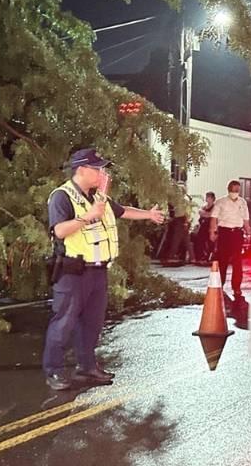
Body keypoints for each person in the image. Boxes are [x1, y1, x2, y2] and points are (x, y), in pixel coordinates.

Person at [44, 148, 165, 391]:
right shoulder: (62, 196)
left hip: (98, 272)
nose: (102, 173)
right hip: (73, 271)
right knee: (64, 323)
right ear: (81, 170)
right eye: (97, 169)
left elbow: (123, 211)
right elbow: (58, 231)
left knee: (92, 323)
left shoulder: (99, 198)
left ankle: (87, 367)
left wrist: (149, 215)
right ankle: (53, 371)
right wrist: (87, 217)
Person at [209, 180, 251, 301]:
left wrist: (248, 231)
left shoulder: (242, 202)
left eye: (237, 190)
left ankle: (236, 288)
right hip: (224, 233)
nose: (235, 192)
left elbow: (246, 220)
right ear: (229, 190)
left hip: (237, 233)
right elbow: (213, 218)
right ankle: (220, 286)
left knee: (237, 262)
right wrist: (212, 231)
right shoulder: (221, 202)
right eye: (233, 190)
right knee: (223, 261)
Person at [194, 191, 216, 264]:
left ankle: (209, 257)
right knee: (199, 240)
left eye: (209, 197)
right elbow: (200, 212)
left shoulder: (214, 207)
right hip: (203, 226)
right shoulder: (204, 206)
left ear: (212, 198)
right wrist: (205, 214)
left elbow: (211, 215)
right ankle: (200, 257)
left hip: (210, 226)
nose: (207, 199)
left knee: (210, 242)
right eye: (207, 197)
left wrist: (205, 214)